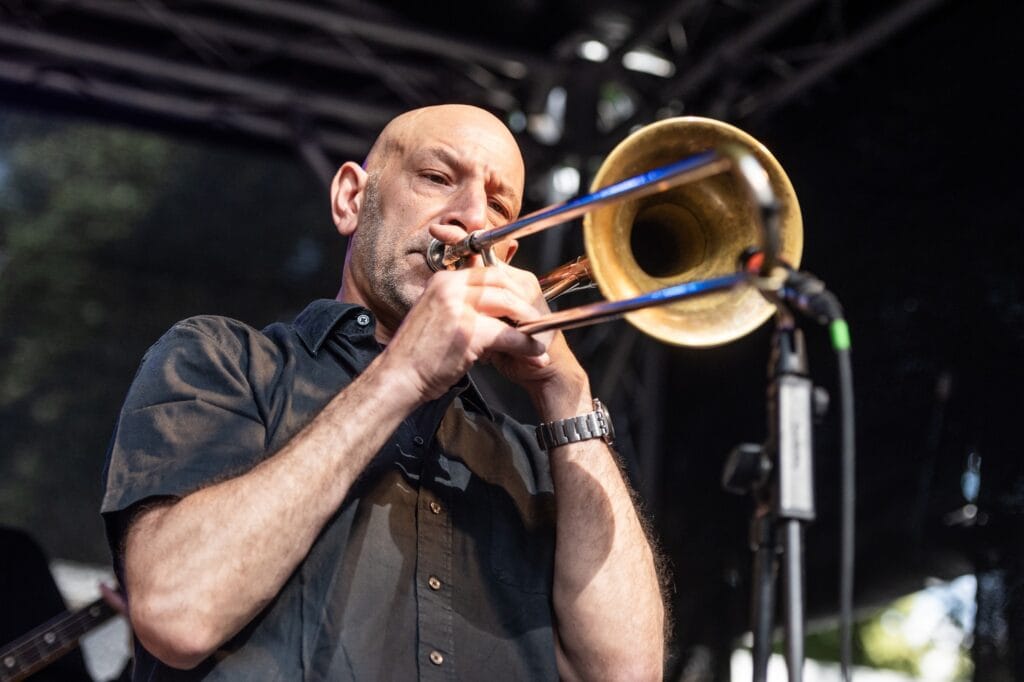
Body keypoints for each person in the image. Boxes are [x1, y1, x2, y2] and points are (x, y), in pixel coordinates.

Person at [101, 104, 665, 680]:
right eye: (438, 178)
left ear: (507, 256)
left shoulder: (538, 464)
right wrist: (401, 376)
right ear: (351, 199)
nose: (472, 218)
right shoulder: (222, 359)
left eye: (498, 205)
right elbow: (177, 614)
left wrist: (567, 395)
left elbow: (627, 673)